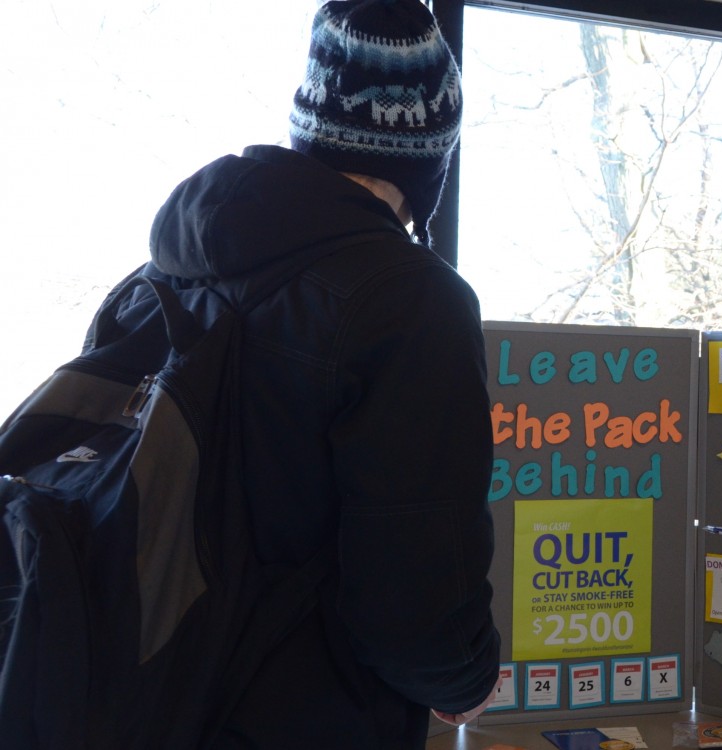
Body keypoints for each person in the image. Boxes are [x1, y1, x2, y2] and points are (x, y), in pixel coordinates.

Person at [135, 0, 500, 746]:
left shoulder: (162, 277)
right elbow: (413, 593)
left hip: (143, 698)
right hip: (301, 716)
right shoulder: (409, 300)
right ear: (428, 156)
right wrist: (464, 677)